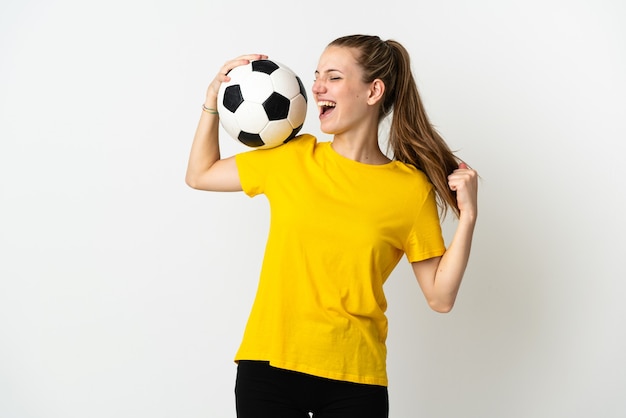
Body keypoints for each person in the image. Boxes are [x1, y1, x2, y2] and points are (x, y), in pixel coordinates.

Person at [186, 34, 478, 418]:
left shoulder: (410, 190)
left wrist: (469, 218)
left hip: (354, 377)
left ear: (374, 91)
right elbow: (200, 174)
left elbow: (440, 298)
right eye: (317, 75)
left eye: (334, 77)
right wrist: (211, 102)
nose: (317, 86)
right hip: (269, 367)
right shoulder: (292, 157)